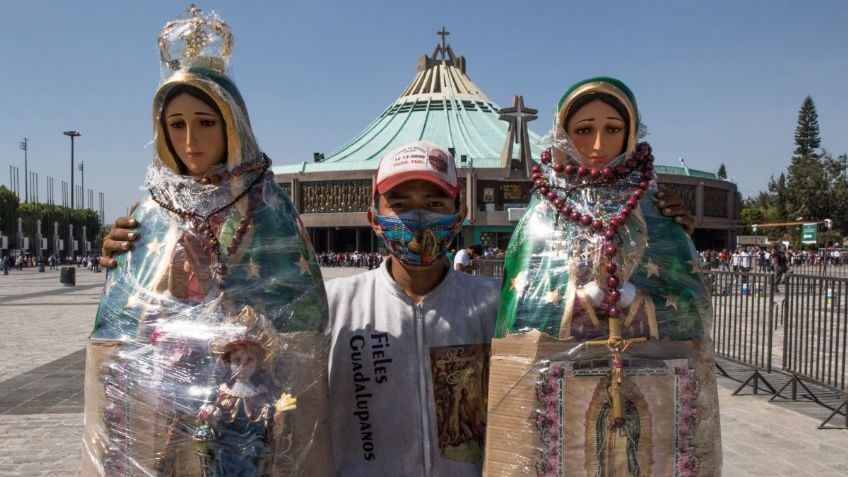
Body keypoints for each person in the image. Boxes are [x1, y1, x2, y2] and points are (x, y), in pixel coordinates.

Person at [84, 7, 331, 476]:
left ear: (232, 124)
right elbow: (123, 323)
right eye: (177, 125)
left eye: (206, 122)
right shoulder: (152, 212)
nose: (191, 140)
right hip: (165, 402)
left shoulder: (268, 211)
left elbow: (298, 316)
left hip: (245, 403)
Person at [486, 77, 721, 475]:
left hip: (653, 387)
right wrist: (585, 298)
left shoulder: (656, 207)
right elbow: (522, 305)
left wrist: (636, 299)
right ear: (565, 133)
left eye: (612, 129)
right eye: (583, 130)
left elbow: (690, 306)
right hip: (560, 389)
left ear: (630, 132)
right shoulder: (545, 210)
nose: (597, 145)